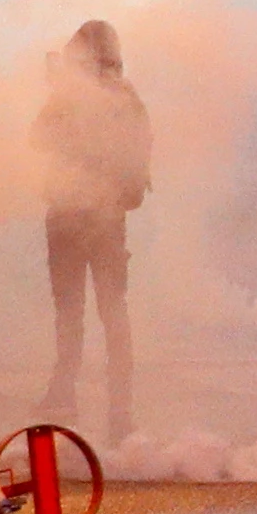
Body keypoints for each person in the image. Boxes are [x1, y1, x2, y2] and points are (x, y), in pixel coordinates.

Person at [31, 22, 152, 432]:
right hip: (104, 217)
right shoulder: (128, 98)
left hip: (72, 214)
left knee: (71, 311)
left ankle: (66, 393)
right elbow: (139, 156)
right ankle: (120, 407)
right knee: (112, 310)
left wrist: (59, 93)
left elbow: (38, 139)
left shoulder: (73, 98)